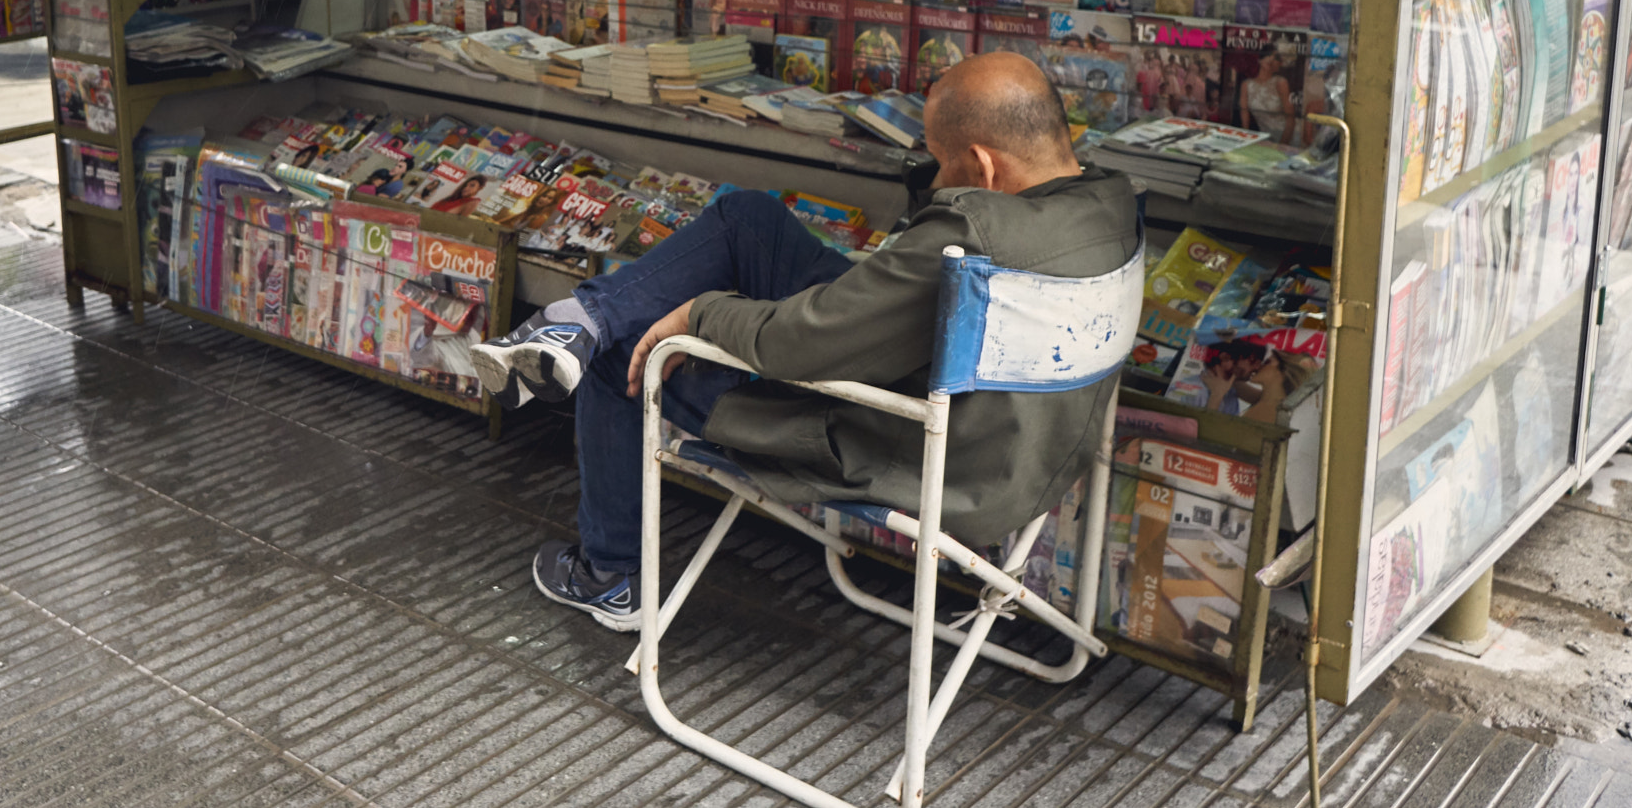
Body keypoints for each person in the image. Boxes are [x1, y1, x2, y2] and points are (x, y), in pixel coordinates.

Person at [471, 52, 1138, 629]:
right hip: (1018, 445)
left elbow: (798, 346)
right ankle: (574, 321)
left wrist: (700, 313)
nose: (934, 182)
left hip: (901, 444)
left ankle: (606, 574)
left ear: (985, 167)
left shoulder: (971, 239)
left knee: (629, 356)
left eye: (940, 165)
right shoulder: (1111, 205)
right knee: (749, 219)